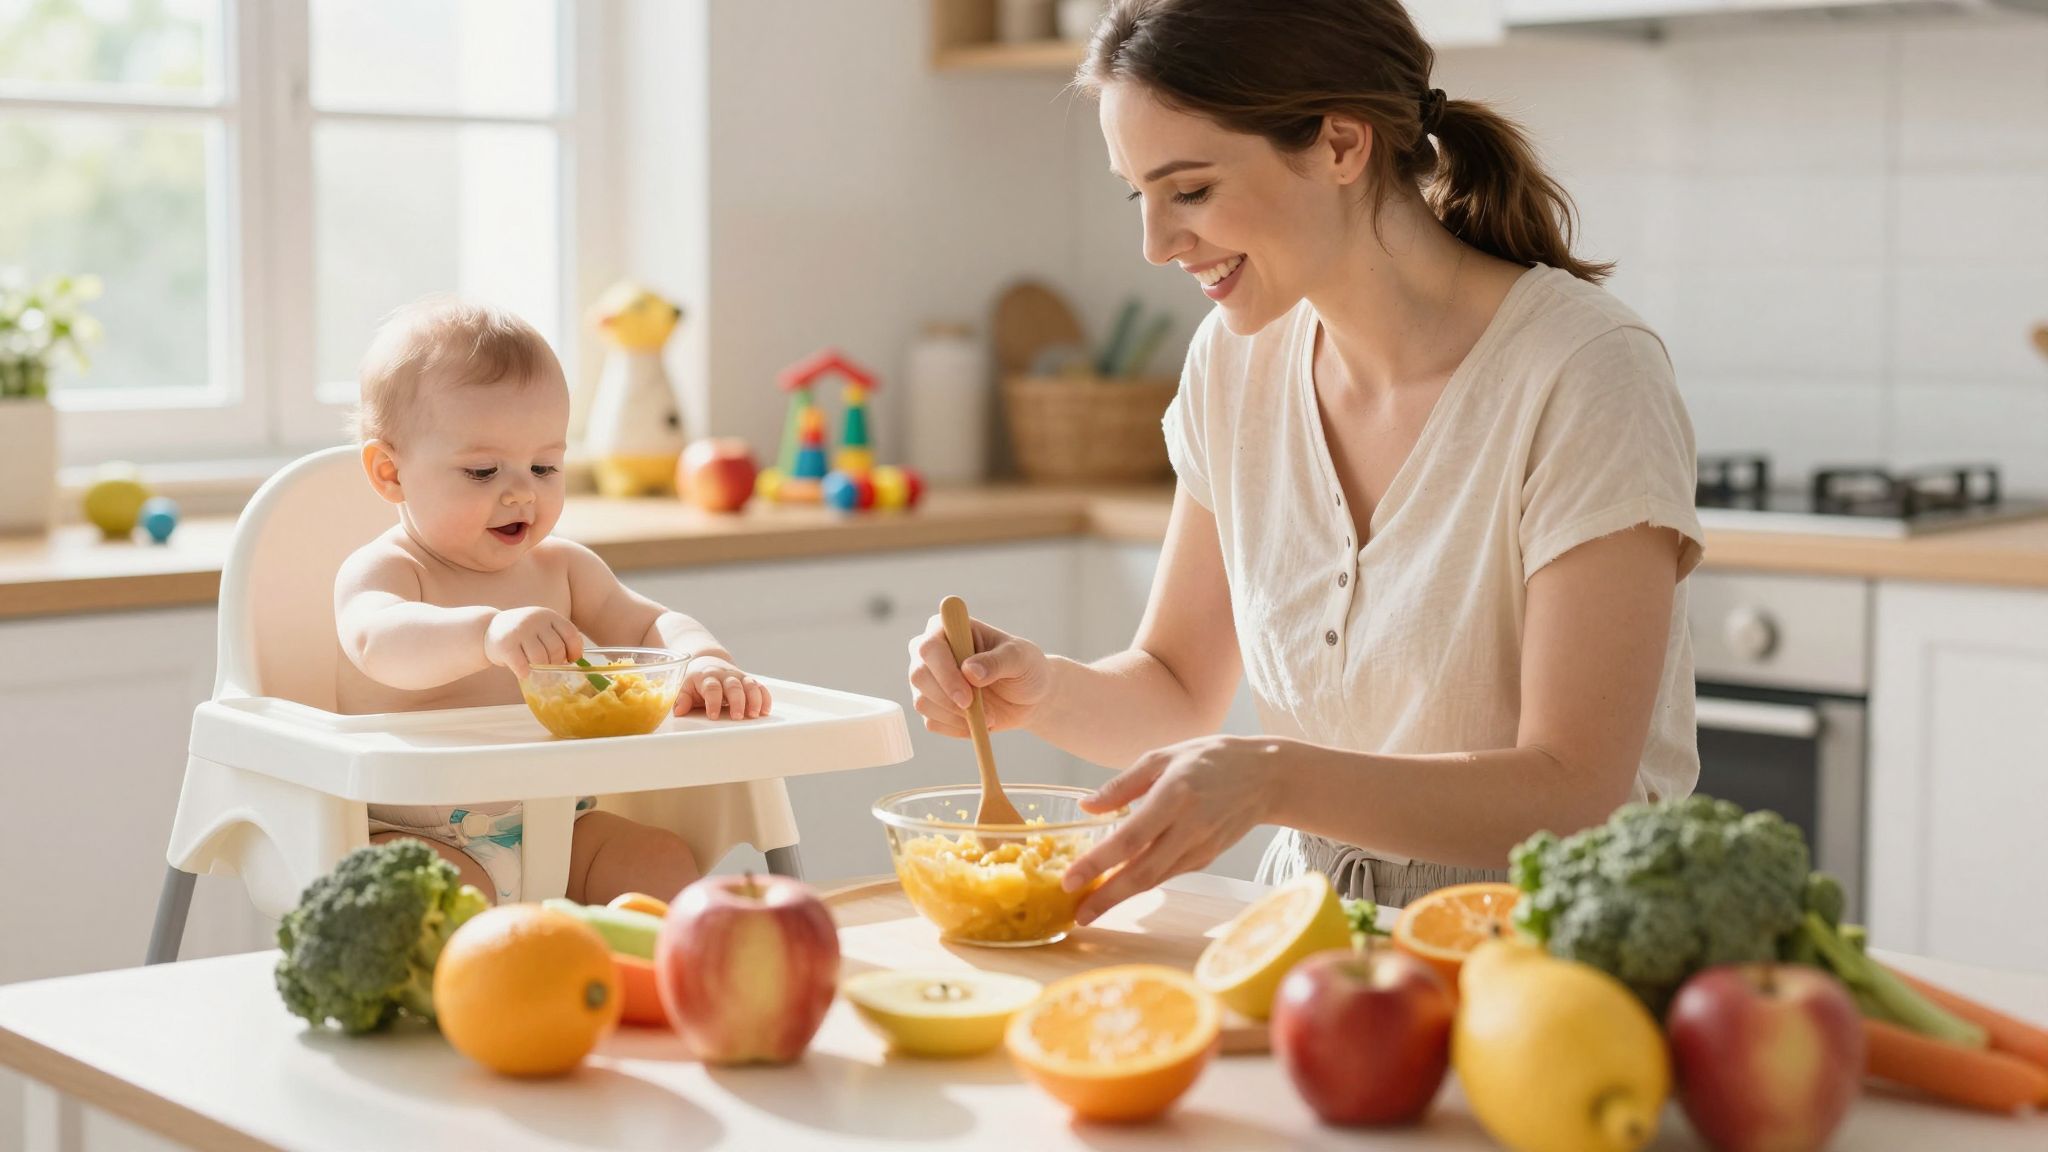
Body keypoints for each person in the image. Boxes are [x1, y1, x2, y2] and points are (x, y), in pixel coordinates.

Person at [907, 0, 1702, 921]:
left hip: (1551, 940)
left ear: (1340, 146)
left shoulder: (1584, 371)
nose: (1157, 245)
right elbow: (1172, 688)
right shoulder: (1232, 363)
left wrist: (1274, 778)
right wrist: (1038, 689)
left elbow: (1575, 790)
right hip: (1309, 929)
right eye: (1142, 196)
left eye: (1191, 191)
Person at [334, 295, 771, 904]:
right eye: (484, 472)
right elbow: (377, 642)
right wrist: (485, 634)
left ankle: (648, 992)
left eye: (544, 467)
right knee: (416, 897)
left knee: (659, 861)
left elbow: (650, 623)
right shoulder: (390, 569)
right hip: (415, 833)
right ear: (389, 473)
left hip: (563, 822)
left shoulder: (562, 568)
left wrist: (701, 659)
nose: (521, 494)